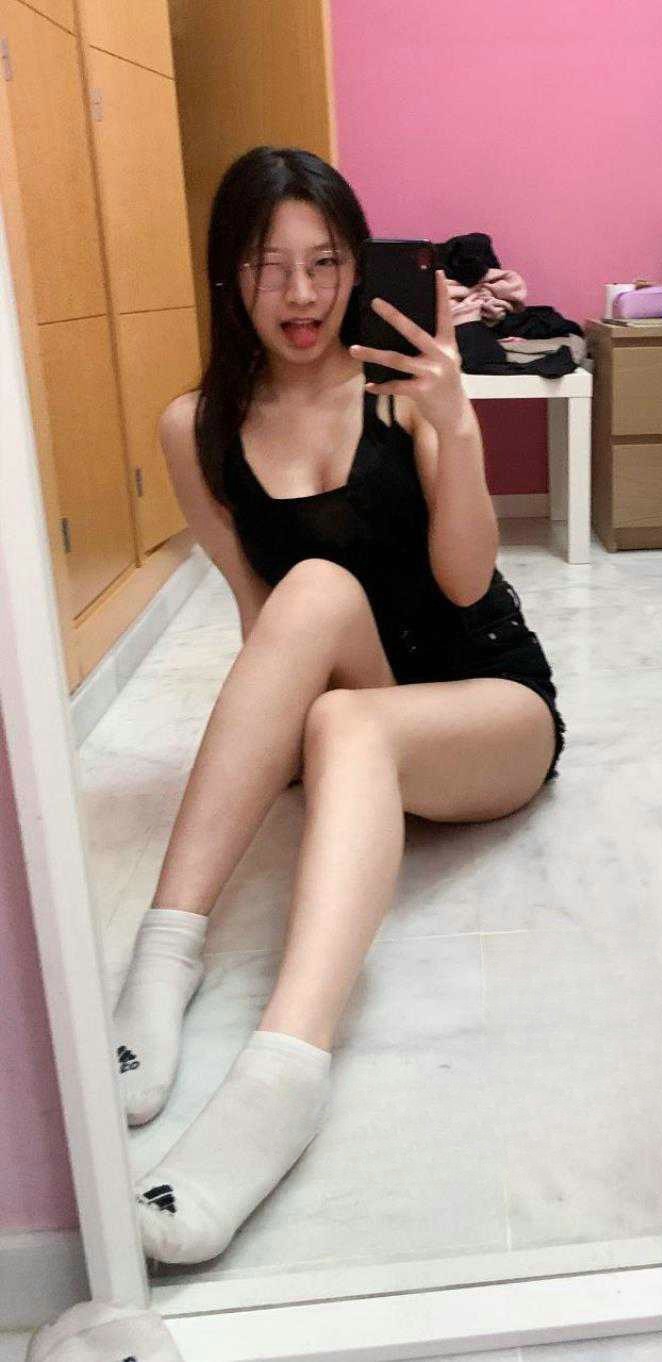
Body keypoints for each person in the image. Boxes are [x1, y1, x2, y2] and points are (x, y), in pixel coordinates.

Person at [111, 146, 566, 1265]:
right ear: (230, 275)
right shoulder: (197, 429)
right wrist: (279, 757)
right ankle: (167, 953)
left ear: (359, 267)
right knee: (311, 600)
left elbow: (466, 581)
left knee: (346, 717)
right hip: (357, 698)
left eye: (325, 263)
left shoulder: (400, 395)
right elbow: (263, 620)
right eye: (271, 266)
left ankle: (285, 1072)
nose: (302, 294)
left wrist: (457, 424)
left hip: (487, 705)